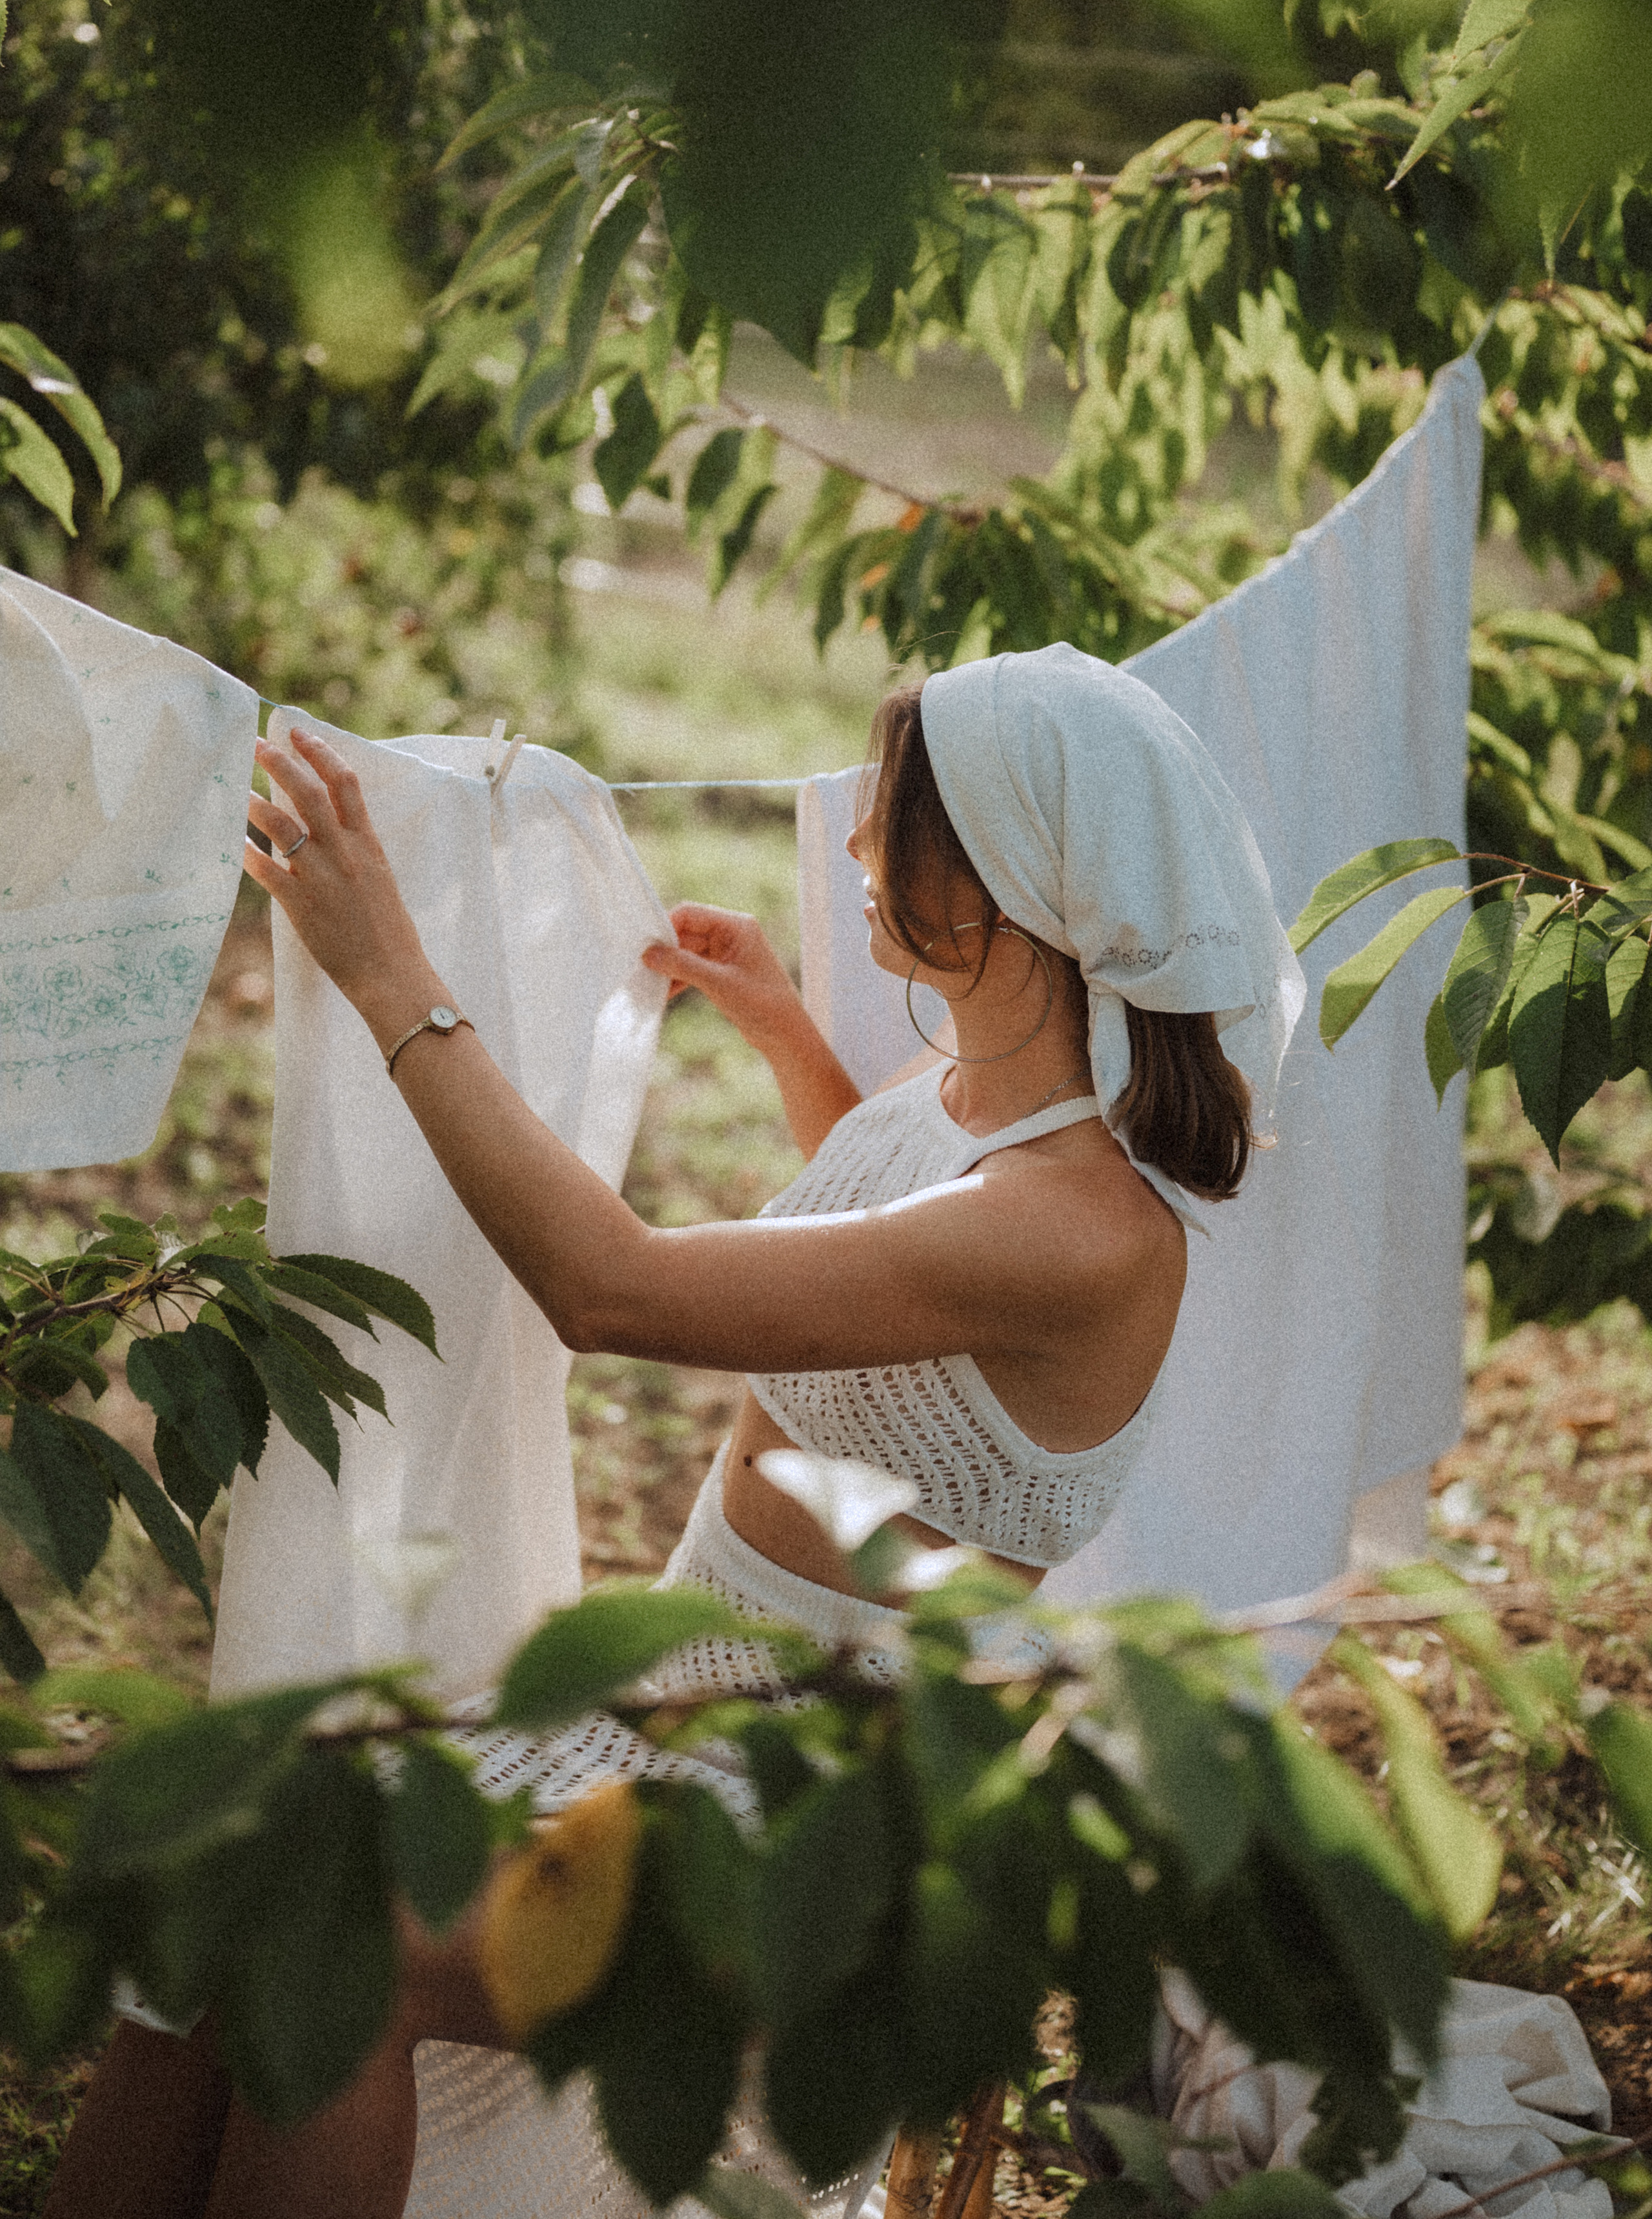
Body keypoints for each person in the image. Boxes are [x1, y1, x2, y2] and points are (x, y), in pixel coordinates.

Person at [43, 645, 1300, 2219]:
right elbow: (890, 1258)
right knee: (221, 1901)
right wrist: (790, 1045)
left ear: (1000, 880)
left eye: (894, 814)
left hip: (812, 1824)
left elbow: (610, 1288)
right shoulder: (985, 1091)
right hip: (673, 1712)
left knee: (333, 1951)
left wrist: (392, 978)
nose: (854, 838)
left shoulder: (1080, 1225)